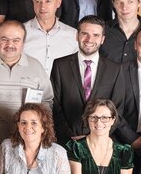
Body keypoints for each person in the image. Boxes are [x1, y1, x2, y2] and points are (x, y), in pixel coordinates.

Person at [0, 20, 53, 157]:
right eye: (4, 39)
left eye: (16, 40)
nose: (10, 45)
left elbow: (46, 102)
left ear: (23, 43)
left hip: (23, 149)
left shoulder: (36, 68)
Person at [50, 15, 124, 146]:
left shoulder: (115, 69)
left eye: (96, 35)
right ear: (77, 36)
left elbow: (117, 109)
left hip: (100, 143)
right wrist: (68, 136)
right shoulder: (60, 65)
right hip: (66, 142)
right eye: (85, 34)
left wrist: (97, 136)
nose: (89, 39)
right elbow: (54, 105)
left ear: (102, 39)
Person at [23, 0, 78, 74]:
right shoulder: (20, 32)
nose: (42, 7)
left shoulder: (73, 35)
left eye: (48, 1)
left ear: (58, 3)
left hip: (61, 88)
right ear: (33, 3)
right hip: (28, 87)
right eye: (38, 1)